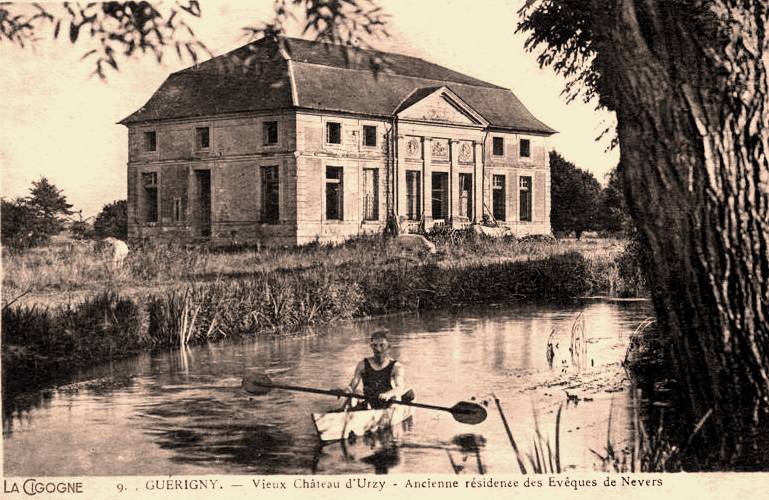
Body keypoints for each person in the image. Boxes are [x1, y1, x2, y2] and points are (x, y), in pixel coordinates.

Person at [337, 330, 406, 409]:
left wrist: (388, 394)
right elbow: (352, 386)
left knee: (396, 397)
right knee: (355, 393)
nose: (378, 349)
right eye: (375, 345)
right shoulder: (362, 364)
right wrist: (344, 391)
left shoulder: (396, 367)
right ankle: (340, 413)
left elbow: (400, 388)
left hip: (386, 402)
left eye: (381, 345)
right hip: (368, 401)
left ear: (388, 347)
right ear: (371, 346)